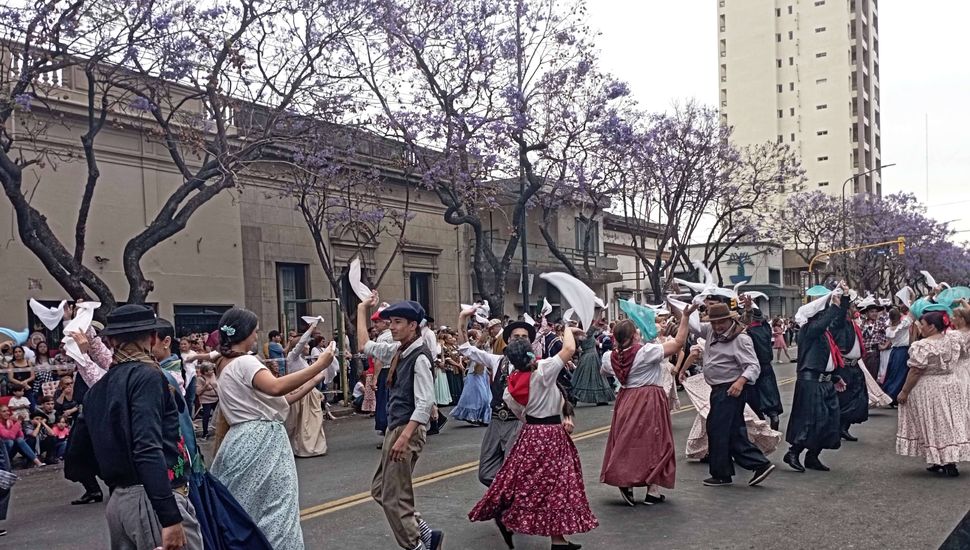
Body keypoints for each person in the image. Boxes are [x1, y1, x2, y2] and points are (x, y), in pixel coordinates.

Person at [65, 304, 202, 550]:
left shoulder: (98, 388)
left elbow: (77, 456)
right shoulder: (148, 378)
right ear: (151, 338)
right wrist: (169, 516)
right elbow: (147, 447)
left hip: (119, 502)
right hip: (152, 500)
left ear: (113, 340)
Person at [208, 308, 336, 550]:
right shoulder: (246, 361)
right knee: (277, 510)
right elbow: (276, 388)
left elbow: (279, 400)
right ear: (245, 333)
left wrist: (313, 379)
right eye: (255, 332)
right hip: (262, 440)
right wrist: (320, 364)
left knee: (246, 507)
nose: (257, 336)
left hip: (238, 439)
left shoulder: (223, 363)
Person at [468, 325, 596, 550]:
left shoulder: (511, 386)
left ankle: (554, 539)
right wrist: (567, 328)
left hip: (531, 434)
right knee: (558, 485)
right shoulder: (544, 369)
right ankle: (545, 535)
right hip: (553, 434)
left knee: (531, 484)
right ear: (530, 352)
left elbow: (521, 414)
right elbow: (569, 348)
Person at [357, 292, 443, 550]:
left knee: (396, 498)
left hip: (406, 431)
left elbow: (425, 403)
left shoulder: (419, 358)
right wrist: (362, 309)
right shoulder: (399, 349)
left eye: (397, 322)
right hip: (396, 428)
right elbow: (365, 346)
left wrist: (404, 437)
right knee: (380, 490)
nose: (391, 327)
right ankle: (426, 535)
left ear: (413, 326)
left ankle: (417, 546)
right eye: (390, 322)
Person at [599, 304, 694, 506]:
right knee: (657, 442)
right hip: (649, 398)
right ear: (634, 335)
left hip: (626, 398)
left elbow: (604, 371)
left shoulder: (610, 356)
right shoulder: (645, 352)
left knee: (627, 440)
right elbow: (678, 343)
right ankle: (652, 488)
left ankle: (629, 482)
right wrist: (685, 317)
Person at [687, 302, 775, 487]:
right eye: (714, 322)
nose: (718, 326)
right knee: (732, 430)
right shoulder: (712, 332)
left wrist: (740, 381)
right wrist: (685, 309)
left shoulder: (741, 339)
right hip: (718, 389)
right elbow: (692, 325)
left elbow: (753, 366)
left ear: (730, 319)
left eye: (721, 322)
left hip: (729, 389)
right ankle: (746, 467)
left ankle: (731, 471)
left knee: (719, 430)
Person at [896, 309, 970, 477]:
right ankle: (944, 459)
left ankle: (943, 459)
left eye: (922, 325)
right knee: (949, 421)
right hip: (951, 384)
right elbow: (964, 355)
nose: (920, 328)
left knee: (933, 421)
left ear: (931, 326)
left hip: (929, 386)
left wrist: (904, 391)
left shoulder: (922, 346)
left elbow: (915, 371)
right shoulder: (953, 339)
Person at [784, 288, 846, 473]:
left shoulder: (824, 334)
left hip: (824, 382)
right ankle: (793, 452)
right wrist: (833, 306)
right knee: (810, 420)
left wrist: (844, 299)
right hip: (810, 383)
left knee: (829, 421)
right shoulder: (809, 330)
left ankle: (813, 456)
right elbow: (823, 323)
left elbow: (839, 321)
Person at [831, 298, 870, 442]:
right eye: (853, 306)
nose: (856, 309)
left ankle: (844, 427)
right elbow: (841, 314)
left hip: (855, 366)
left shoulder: (854, 324)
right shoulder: (839, 323)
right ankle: (837, 428)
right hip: (844, 367)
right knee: (844, 399)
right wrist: (845, 299)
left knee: (858, 399)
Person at [743, 299, 784, 430]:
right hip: (767, 365)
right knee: (769, 393)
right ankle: (773, 416)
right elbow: (765, 321)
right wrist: (752, 304)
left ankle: (760, 422)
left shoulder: (748, 332)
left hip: (753, 366)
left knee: (753, 396)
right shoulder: (765, 328)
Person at [569, 322, 615, 406]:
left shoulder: (582, 334)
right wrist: (600, 311)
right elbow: (593, 328)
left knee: (583, 377)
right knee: (593, 377)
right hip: (590, 356)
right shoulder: (586, 333)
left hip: (587, 356)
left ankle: (575, 396)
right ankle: (599, 398)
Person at [882, 308, 913, 403]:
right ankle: (893, 394)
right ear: (900, 317)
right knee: (901, 373)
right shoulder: (903, 326)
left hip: (894, 351)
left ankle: (889, 392)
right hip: (902, 351)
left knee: (893, 372)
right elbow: (910, 316)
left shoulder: (888, 330)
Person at [195, 363, 219, 439]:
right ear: (205, 372)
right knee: (206, 415)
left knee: (218, 415)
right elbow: (198, 392)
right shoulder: (200, 379)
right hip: (206, 400)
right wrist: (205, 386)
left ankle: (218, 431)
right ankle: (205, 433)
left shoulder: (214, 375)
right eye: (210, 370)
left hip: (216, 398)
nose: (212, 371)